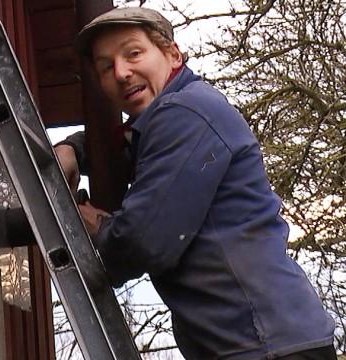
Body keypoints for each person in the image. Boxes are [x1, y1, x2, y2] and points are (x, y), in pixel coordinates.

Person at [54, 6, 336, 359]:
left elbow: (142, 241)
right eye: (106, 67)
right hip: (264, 341)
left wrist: (99, 227)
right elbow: (122, 149)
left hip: (263, 345)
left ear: (173, 54)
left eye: (133, 53)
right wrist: (74, 149)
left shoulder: (184, 114)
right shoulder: (169, 121)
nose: (122, 72)